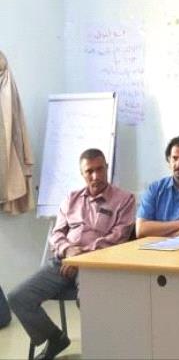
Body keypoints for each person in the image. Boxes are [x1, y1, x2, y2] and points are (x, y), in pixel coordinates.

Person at [8, 149, 135, 359]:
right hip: (63, 262)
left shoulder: (124, 199)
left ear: (107, 168)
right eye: (89, 171)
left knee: (89, 301)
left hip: (96, 266)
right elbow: (57, 234)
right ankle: (55, 338)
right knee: (18, 297)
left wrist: (80, 258)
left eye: (100, 169)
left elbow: (118, 238)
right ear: (82, 173)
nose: (96, 176)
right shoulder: (71, 198)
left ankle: (102, 351)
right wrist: (68, 251)